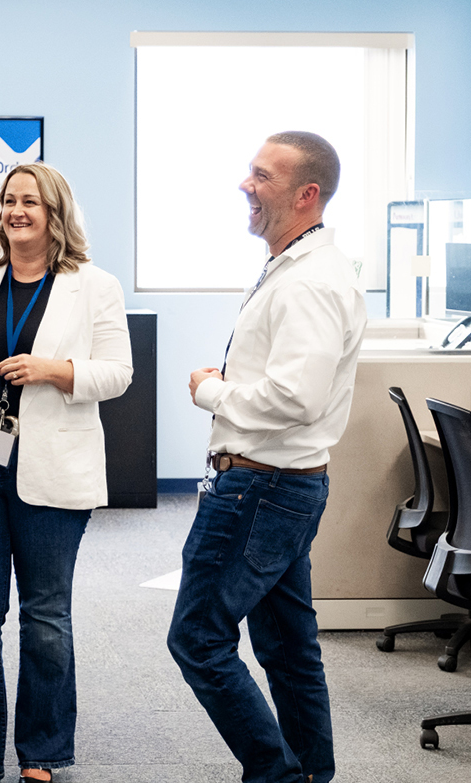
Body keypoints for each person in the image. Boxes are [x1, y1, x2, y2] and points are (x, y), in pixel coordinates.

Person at [167, 131, 367, 783]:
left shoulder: (309, 281)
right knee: (286, 647)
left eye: (262, 176)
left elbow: (297, 397)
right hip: (283, 484)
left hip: (261, 486)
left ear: (307, 195)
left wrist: (211, 391)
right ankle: (311, 772)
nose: (246, 186)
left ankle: (277, 775)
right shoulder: (298, 266)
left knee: (198, 637)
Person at [0, 162, 132, 783]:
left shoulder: (94, 286)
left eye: (31, 203)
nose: (17, 211)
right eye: (9, 200)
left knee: (46, 618)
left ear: (55, 214)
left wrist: (53, 370)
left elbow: (117, 373)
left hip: (53, 469)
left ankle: (42, 754)